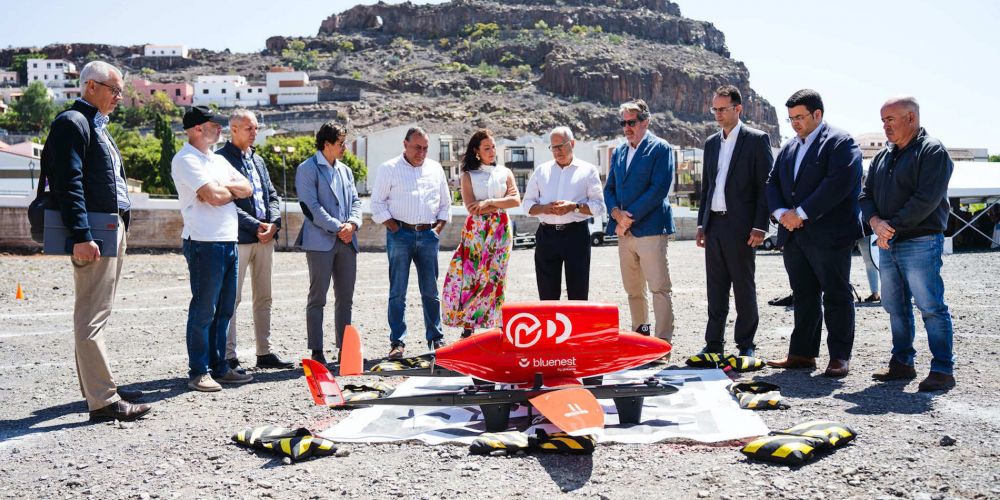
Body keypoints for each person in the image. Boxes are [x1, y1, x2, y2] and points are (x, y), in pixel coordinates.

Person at [42, 61, 151, 421]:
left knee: (96, 312)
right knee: (91, 314)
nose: (119, 97)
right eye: (114, 90)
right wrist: (81, 235)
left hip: (108, 227)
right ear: (91, 86)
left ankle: (98, 388)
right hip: (94, 231)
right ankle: (103, 400)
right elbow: (67, 183)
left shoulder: (93, 124)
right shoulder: (72, 122)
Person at [860, 96, 956, 392]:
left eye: (890, 119)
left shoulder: (932, 151)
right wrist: (875, 222)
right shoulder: (882, 157)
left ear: (911, 118)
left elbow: (926, 199)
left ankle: (942, 369)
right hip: (889, 242)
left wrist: (889, 228)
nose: (885, 126)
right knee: (894, 305)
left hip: (920, 241)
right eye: (883, 121)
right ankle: (902, 362)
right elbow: (865, 196)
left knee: (930, 305)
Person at [765, 89, 863, 378]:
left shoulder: (840, 142)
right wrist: (781, 213)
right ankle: (802, 354)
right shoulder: (789, 147)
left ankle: (839, 357)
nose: (794, 123)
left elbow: (838, 184)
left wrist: (801, 213)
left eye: (800, 116)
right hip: (794, 235)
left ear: (817, 114)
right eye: (791, 118)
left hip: (829, 234)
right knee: (803, 294)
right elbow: (772, 182)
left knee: (836, 294)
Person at [171, 106, 255, 392]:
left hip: (228, 239)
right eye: (214, 124)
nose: (220, 129)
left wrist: (221, 188)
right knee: (204, 309)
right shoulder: (185, 159)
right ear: (197, 129)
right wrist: (225, 190)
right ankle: (199, 371)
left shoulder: (216, 160)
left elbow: (248, 187)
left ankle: (220, 367)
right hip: (203, 242)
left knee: (225, 309)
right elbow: (213, 196)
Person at [695, 85, 774, 358]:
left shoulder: (756, 140)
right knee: (715, 287)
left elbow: (765, 186)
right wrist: (702, 225)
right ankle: (713, 344)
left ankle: (746, 344)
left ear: (738, 108)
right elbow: (707, 187)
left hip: (742, 227)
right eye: (714, 109)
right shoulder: (711, 143)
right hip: (714, 225)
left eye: (723, 109)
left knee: (743, 287)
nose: (718, 114)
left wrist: (760, 226)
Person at [215, 109, 293, 371]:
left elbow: (272, 195)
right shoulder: (220, 160)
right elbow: (226, 203)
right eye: (249, 128)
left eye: (256, 128)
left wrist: (274, 224)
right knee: (232, 299)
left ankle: (264, 352)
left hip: (265, 239)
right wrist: (256, 225)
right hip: (238, 238)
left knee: (264, 296)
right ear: (234, 129)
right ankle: (228, 356)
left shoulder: (258, 160)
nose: (254, 133)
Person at [370, 127, 451, 358]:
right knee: (398, 291)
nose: (421, 153)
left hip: (428, 236)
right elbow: (377, 203)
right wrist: (395, 229)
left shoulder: (435, 169)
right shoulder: (388, 168)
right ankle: (398, 342)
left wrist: (436, 230)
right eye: (417, 147)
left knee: (431, 291)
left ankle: (436, 339)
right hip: (400, 235)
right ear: (405, 144)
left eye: (425, 148)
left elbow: (445, 204)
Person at [604, 99, 676, 348]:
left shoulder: (660, 148)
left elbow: (658, 190)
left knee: (658, 288)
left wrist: (627, 218)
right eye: (623, 123)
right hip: (624, 232)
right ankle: (640, 339)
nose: (627, 127)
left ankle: (662, 343)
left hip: (651, 229)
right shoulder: (619, 152)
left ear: (646, 122)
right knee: (633, 290)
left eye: (631, 122)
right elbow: (609, 188)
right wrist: (616, 214)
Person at [295, 121, 362, 365]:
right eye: (341, 143)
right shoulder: (307, 168)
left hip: (347, 241)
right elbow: (311, 207)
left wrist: (352, 224)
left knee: (346, 298)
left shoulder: (346, 170)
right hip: (319, 242)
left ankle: (344, 350)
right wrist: (338, 227)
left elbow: (356, 201)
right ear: (326, 144)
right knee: (317, 298)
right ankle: (317, 350)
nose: (345, 147)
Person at [442, 129, 521, 337]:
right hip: (476, 230)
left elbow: (515, 200)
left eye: (493, 147)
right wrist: (498, 204)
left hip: (501, 230)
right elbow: (471, 207)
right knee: (473, 273)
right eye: (487, 148)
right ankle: (469, 325)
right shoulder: (468, 175)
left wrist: (488, 202)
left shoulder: (505, 172)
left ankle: (497, 323)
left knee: (497, 274)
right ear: (477, 151)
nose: (492, 151)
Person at [522, 126, 605, 300]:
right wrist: (544, 208)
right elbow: (527, 205)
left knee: (578, 293)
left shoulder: (588, 170)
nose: (557, 151)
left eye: (561, 146)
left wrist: (574, 207)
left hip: (576, 235)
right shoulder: (541, 171)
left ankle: (577, 320)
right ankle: (550, 319)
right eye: (553, 147)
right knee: (547, 295)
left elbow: (598, 207)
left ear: (572, 144)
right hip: (546, 235)